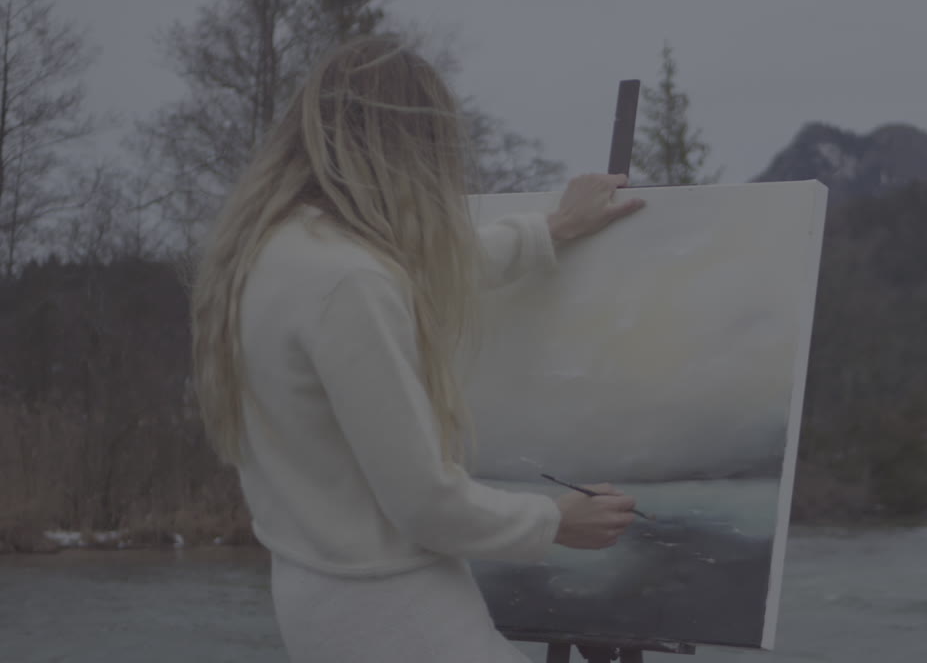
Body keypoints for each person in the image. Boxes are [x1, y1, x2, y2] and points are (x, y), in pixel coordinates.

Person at [189, 34, 645, 662]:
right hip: (392, 615)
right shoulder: (349, 281)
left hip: (316, 599)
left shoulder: (273, 251)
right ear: (409, 148)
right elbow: (424, 503)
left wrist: (552, 230)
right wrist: (556, 521)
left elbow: (420, 271)